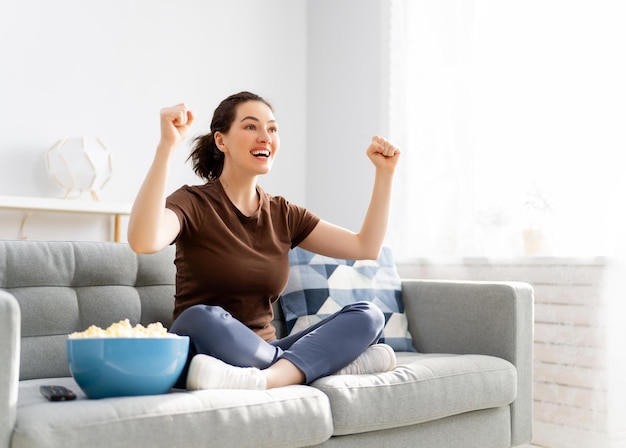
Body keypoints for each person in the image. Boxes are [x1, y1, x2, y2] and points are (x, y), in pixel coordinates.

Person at [128, 91, 401, 390]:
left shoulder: (283, 213)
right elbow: (144, 241)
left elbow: (365, 247)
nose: (265, 137)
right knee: (201, 317)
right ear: (221, 141)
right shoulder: (193, 202)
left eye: (272, 128)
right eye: (250, 126)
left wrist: (385, 173)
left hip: (261, 351)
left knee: (367, 315)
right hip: (203, 344)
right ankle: (311, 367)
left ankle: (267, 379)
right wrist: (166, 147)